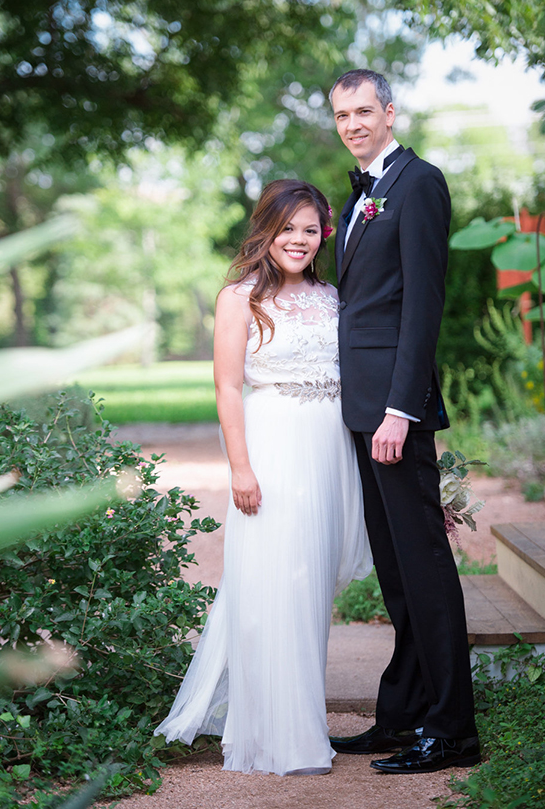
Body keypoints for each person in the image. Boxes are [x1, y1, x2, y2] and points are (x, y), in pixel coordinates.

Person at [154, 178, 372, 776]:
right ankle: (280, 735)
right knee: (278, 584)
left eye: (310, 229)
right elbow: (227, 386)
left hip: (329, 449)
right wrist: (241, 468)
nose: (298, 240)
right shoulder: (239, 297)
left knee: (310, 589)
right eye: (288, 228)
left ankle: (302, 715)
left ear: (322, 235)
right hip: (273, 444)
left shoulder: (333, 295)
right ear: (266, 230)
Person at [328, 69, 480, 774]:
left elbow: (421, 307)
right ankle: (404, 713)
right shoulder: (359, 195)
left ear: (390, 111)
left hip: (395, 412)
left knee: (423, 566)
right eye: (341, 114)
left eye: (363, 110)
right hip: (360, 410)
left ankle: (451, 727)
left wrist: (400, 408)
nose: (352, 122)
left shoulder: (419, 183)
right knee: (396, 571)